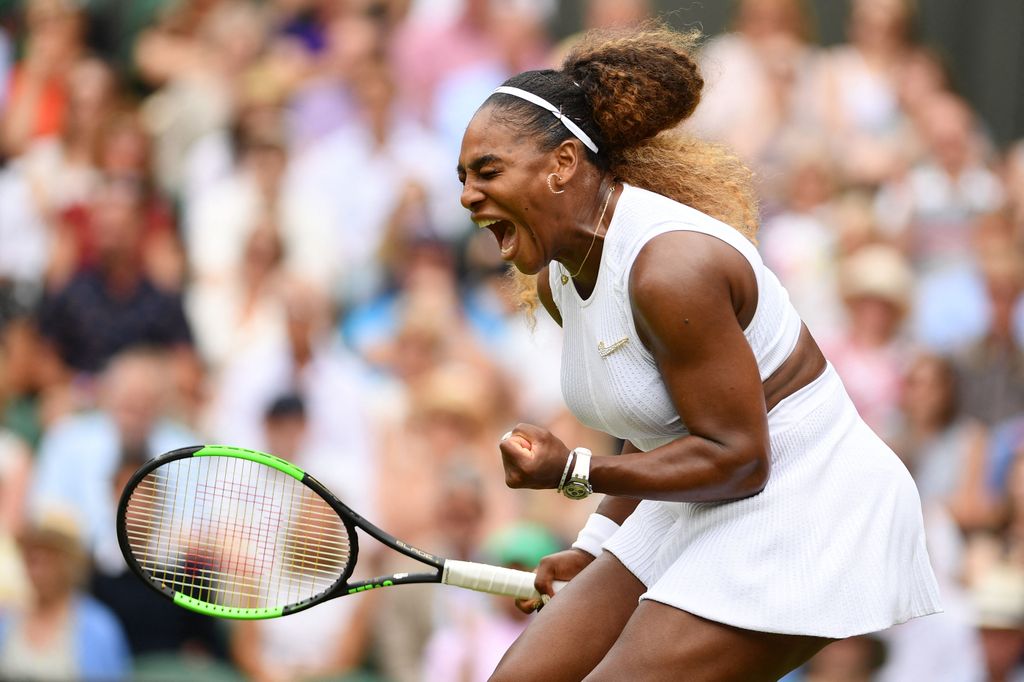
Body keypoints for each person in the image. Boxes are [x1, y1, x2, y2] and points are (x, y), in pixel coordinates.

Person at [455, 23, 942, 681]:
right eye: (463, 178)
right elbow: (657, 427)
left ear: (564, 165)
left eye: (488, 171)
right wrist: (596, 545)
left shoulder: (670, 269)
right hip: (707, 495)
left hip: (808, 503)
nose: (467, 196)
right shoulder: (559, 277)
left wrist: (573, 469)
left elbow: (739, 458)